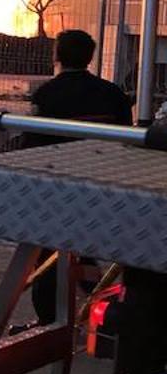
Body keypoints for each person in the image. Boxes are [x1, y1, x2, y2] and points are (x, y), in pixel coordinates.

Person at [23, 30, 132, 326]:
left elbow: (31, 145)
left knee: (47, 253)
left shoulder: (46, 94)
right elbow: (127, 140)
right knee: (82, 249)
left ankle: (49, 321)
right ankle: (106, 308)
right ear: (90, 57)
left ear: (57, 55)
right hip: (101, 186)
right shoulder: (113, 94)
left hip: (55, 187)